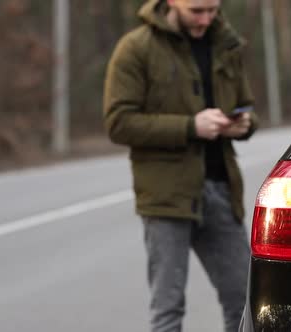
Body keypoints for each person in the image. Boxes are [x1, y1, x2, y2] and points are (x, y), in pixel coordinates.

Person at [103, 0, 258, 331]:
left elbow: (246, 105)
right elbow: (119, 123)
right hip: (165, 197)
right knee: (168, 310)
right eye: (196, 11)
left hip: (221, 190)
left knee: (247, 302)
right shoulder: (136, 48)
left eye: (212, 10)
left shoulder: (226, 43)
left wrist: (244, 124)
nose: (206, 19)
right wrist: (191, 126)